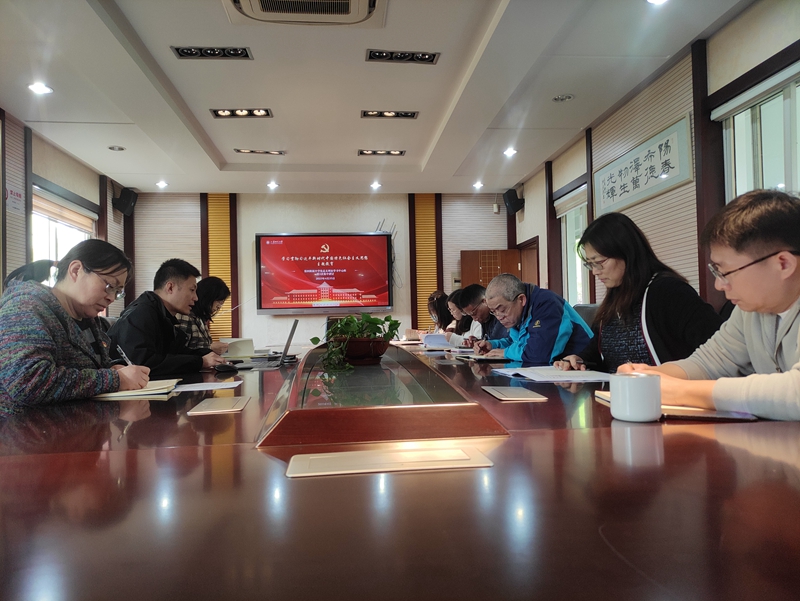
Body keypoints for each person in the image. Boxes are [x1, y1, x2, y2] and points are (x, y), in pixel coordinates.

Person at [618, 189, 800, 420]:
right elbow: (710, 362)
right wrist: (648, 376)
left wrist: (679, 391)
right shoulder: (752, 309)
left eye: (725, 272)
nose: (719, 285)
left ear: (783, 264)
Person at [554, 212, 722, 372]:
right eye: (590, 264)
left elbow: (718, 349)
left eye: (599, 262)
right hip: (617, 391)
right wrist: (579, 359)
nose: (595, 271)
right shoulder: (615, 298)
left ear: (626, 252)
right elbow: (600, 352)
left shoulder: (669, 292)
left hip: (663, 390)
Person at [0, 239, 150, 415]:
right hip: (30, 428)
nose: (111, 298)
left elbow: (85, 374)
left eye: (117, 292)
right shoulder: (25, 307)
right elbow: (28, 382)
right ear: (76, 270)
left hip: (80, 426)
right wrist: (114, 379)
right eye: (109, 286)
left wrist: (111, 370)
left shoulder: (87, 318)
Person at [109, 259, 225, 377]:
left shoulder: (163, 316)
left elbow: (177, 353)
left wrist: (207, 355)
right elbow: (144, 364)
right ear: (170, 288)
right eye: (192, 290)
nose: (196, 298)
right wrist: (201, 362)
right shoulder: (140, 314)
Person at [474, 273, 592, 365]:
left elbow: (539, 353)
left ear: (521, 299)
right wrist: (494, 345)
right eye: (493, 311)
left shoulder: (547, 305)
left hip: (583, 369)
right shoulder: (520, 313)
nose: (499, 317)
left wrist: (505, 353)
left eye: (502, 309)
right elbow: (519, 342)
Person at [175, 276, 231, 355]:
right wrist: (210, 348)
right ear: (208, 297)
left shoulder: (200, 318)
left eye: (222, 303)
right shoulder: (184, 316)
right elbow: (178, 353)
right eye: (219, 301)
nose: (219, 307)